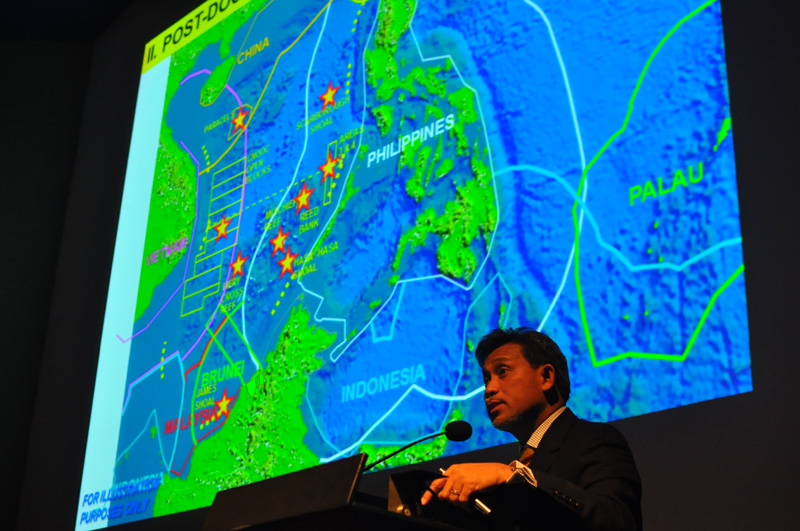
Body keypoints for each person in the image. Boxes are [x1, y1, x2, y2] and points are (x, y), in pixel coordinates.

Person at [420, 327, 642, 530]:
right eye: (487, 380)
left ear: (546, 377)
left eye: (503, 371)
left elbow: (619, 521)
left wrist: (511, 474)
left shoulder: (595, 439)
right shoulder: (525, 461)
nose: (489, 390)